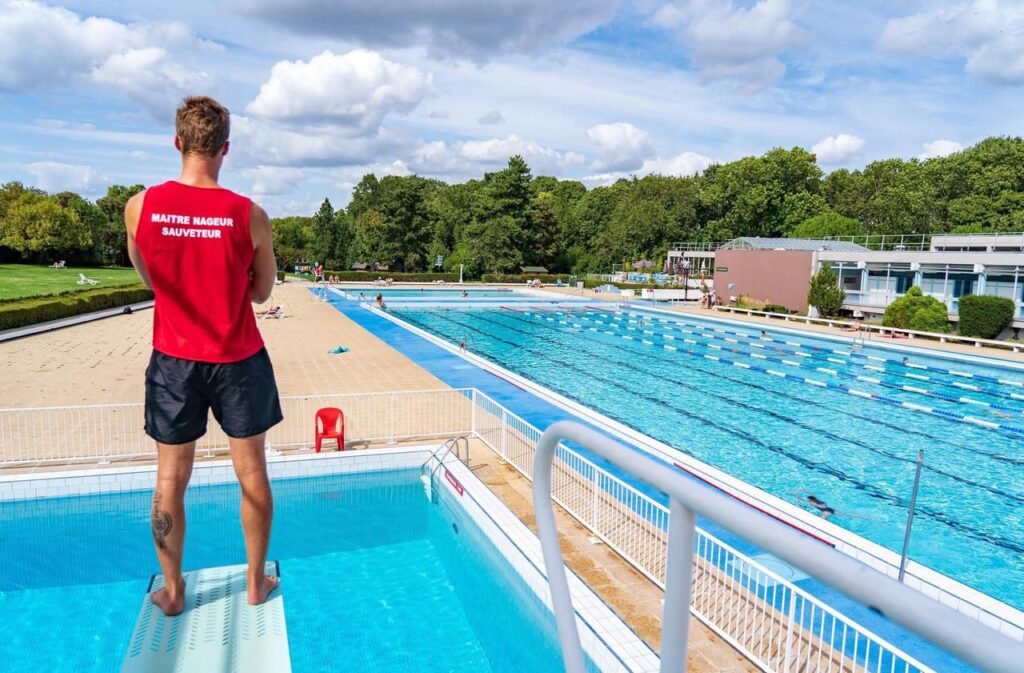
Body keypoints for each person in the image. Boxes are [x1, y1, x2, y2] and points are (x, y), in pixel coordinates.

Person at [124, 96, 282, 616]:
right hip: (238, 357)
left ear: (177, 143)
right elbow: (262, 293)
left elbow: (148, 276)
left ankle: (172, 592)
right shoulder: (249, 214)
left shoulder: (140, 206)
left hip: (174, 360)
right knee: (251, 471)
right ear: (225, 149)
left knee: (170, 478)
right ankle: (255, 583)